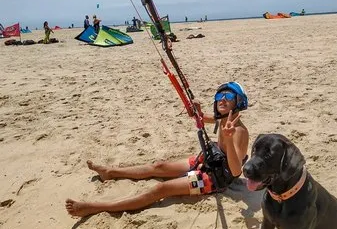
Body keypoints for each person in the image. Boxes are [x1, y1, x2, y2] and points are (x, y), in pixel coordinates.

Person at [65, 82, 249, 217]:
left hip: (216, 178)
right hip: (209, 159)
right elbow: (200, 117)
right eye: (219, 96)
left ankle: (96, 207)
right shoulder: (222, 119)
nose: (222, 100)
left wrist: (230, 138)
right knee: (158, 166)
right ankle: (110, 172)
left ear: (238, 102)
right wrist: (196, 111)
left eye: (229, 97)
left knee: (161, 189)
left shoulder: (239, 131)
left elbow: (235, 170)